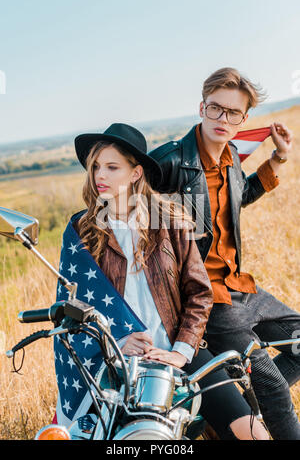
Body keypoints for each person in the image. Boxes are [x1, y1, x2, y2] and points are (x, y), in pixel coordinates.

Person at [70, 122, 269, 440]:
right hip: (116, 360)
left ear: (136, 174)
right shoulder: (81, 232)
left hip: (178, 349)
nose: (99, 176)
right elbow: (73, 306)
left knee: (253, 435)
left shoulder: (170, 220)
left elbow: (199, 293)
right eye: (95, 167)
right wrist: (117, 341)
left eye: (111, 167)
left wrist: (181, 350)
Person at [148, 67, 300, 440]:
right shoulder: (169, 163)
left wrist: (278, 159)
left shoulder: (232, 154)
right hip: (207, 299)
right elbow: (129, 210)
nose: (223, 119)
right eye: (216, 108)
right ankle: (248, 408)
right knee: (275, 387)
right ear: (202, 107)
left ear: (244, 119)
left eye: (233, 113)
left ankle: (234, 405)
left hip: (240, 287)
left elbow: (238, 198)